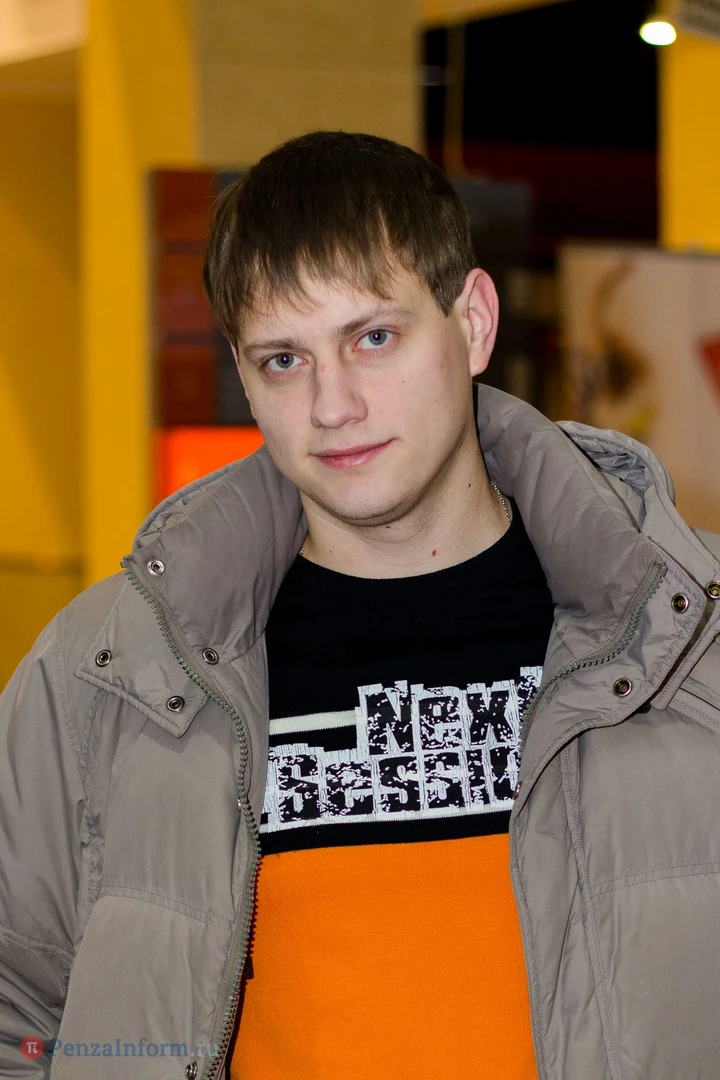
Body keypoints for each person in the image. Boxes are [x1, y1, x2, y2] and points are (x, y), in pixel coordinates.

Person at [1, 131, 720, 1080]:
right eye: (282, 360)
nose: (332, 405)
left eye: (372, 338)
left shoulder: (690, 640)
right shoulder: (107, 675)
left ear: (473, 322)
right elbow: (16, 1014)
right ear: (244, 375)